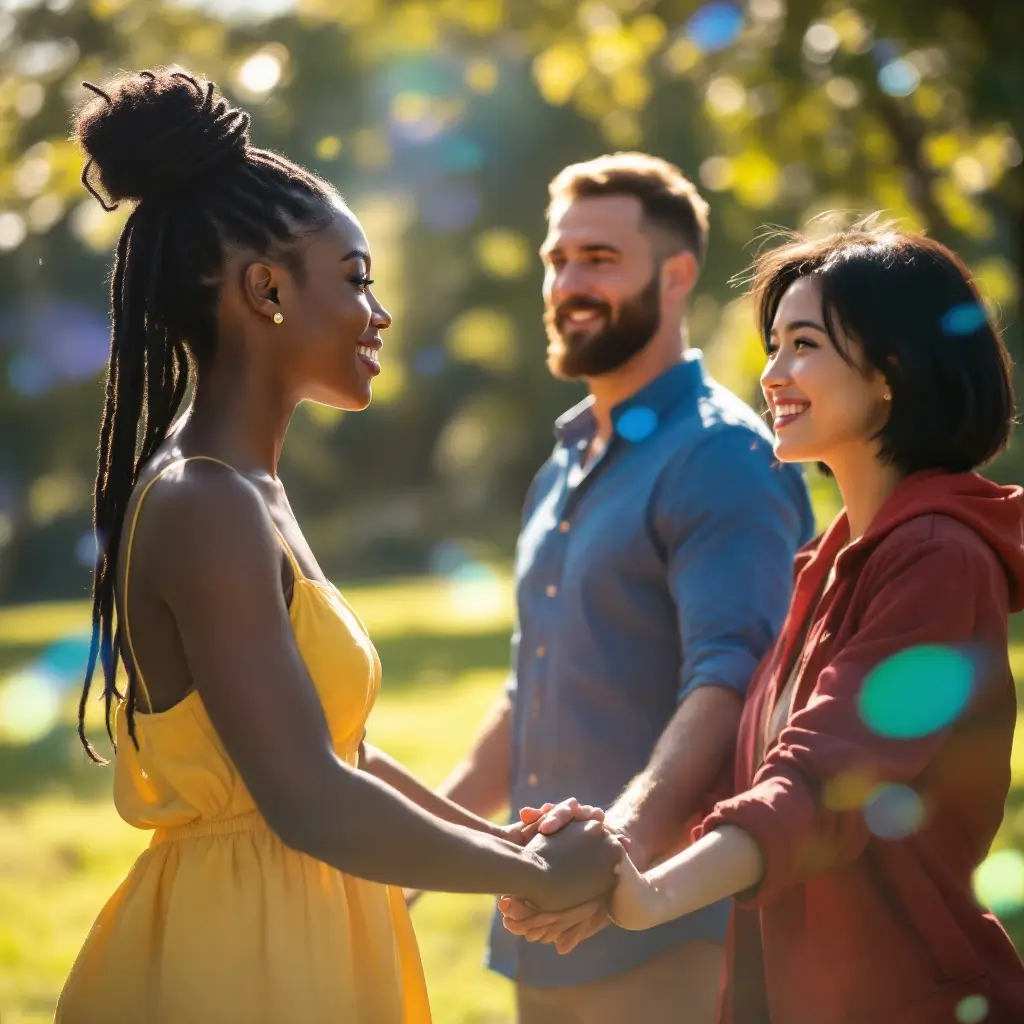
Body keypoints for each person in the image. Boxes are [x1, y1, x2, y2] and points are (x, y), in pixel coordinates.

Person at [56, 68, 621, 1024]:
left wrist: (513, 850)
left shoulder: (250, 491)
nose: (379, 312)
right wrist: (525, 870)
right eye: (357, 278)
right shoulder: (206, 501)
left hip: (309, 920)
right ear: (266, 289)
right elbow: (311, 799)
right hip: (242, 958)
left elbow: (338, 750)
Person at [522, 224, 1024, 1023]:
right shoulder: (826, 563)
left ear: (891, 370)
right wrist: (612, 850)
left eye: (804, 344)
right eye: (774, 345)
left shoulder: (937, 560)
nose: (773, 374)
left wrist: (649, 898)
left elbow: (825, 781)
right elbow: (755, 780)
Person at [440, 152, 814, 1023]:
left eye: (599, 259)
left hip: (669, 932)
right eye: (557, 259)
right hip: (545, 930)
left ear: (677, 274)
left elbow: (734, 677)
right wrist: (426, 856)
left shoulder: (723, 456)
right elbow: (530, 685)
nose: (568, 282)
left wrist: (614, 857)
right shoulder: (562, 462)